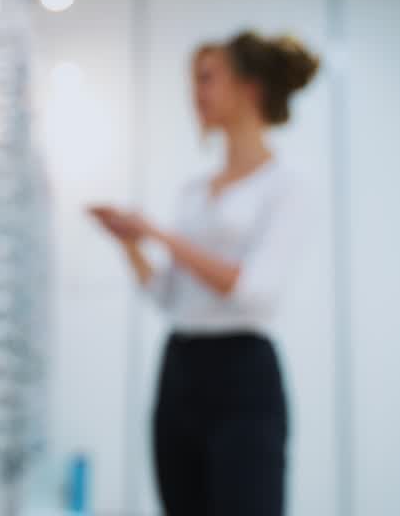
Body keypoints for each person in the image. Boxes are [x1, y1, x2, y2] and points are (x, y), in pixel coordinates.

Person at [89, 31, 320, 516]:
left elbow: (254, 291)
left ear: (249, 88)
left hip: (244, 374)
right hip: (180, 367)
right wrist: (131, 245)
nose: (197, 92)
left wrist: (160, 235)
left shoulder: (286, 186)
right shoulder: (193, 192)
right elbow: (170, 296)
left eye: (208, 78)